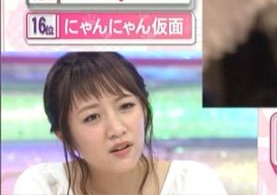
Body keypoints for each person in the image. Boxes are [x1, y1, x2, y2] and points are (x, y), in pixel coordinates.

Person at [13, 52, 226, 195]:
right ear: (64, 136)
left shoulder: (193, 184)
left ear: (145, 107)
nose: (116, 129)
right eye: (91, 117)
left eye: (126, 106)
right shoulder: (44, 187)